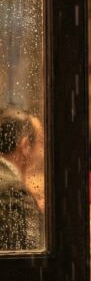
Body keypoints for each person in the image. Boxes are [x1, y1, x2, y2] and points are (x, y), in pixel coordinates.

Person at [0, 105, 44, 251]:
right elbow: (34, 251)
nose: (44, 150)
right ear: (25, 145)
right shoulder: (14, 188)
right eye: (40, 142)